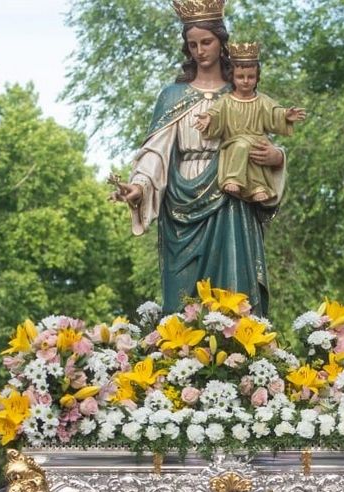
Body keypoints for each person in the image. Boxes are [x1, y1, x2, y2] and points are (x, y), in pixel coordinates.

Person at [111, 1, 288, 315]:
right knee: (182, 298)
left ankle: (238, 352)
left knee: (234, 288)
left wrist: (276, 156)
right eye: (192, 44)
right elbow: (156, 150)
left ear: (221, 43)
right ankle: (181, 356)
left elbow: (259, 139)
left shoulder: (240, 94)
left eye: (206, 42)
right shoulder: (172, 96)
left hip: (232, 196)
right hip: (181, 202)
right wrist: (140, 186)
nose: (200, 50)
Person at [194, 42, 305, 203]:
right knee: (242, 145)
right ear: (232, 77)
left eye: (250, 77)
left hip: (258, 142)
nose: (245, 81)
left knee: (257, 149)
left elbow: (274, 113)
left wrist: (286, 115)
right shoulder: (226, 101)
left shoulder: (262, 101)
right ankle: (232, 178)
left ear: (257, 78)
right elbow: (216, 113)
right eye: (240, 77)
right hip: (234, 143)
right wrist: (209, 119)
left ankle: (259, 186)